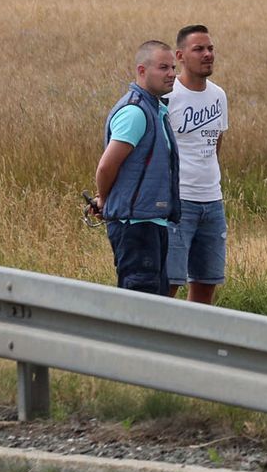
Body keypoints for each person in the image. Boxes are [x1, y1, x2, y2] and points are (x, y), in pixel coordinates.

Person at [89, 40, 180, 294]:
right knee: (142, 306)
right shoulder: (136, 112)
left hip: (151, 223)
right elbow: (106, 167)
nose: (172, 74)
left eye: (173, 67)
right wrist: (106, 201)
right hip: (137, 227)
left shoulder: (155, 109)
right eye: (163, 67)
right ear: (142, 71)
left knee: (156, 306)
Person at [166, 24, 228, 304]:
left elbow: (216, 144)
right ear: (180, 56)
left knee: (206, 283)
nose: (207, 55)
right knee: (169, 282)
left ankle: (191, 344)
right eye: (199, 49)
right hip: (179, 203)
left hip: (212, 202)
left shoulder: (218, 95)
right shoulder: (168, 96)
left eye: (210, 48)